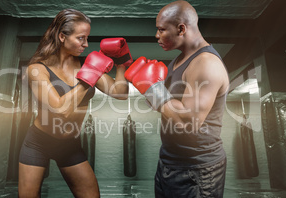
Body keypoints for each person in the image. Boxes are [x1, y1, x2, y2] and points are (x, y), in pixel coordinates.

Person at [18, 9, 130, 198]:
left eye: (87, 38)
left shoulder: (87, 64)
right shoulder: (37, 70)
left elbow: (120, 93)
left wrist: (121, 64)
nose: (86, 44)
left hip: (69, 144)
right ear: (62, 36)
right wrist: (89, 77)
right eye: (81, 38)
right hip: (39, 142)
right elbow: (60, 109)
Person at [125, 1, 229, 197]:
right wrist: (148, 89)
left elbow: (188, 122)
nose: (157, 36)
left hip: (197, 169)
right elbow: (166, 107)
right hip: (169, 162)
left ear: (181, 28)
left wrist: (154, 88)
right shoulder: (178, 61)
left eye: (162, 30)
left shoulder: (206, 63)